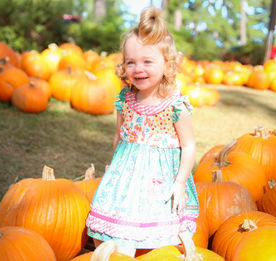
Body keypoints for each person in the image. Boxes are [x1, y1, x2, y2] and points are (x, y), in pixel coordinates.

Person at [85, 5, 199, 258]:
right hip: (126, 172)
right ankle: (119, 252)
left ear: (167, 65)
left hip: (159, 178)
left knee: (154, 228)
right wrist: (115, 166)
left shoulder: (175, 104)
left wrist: (180, 182)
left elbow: (188, 145)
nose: (139, 69)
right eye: (131, 62)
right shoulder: (125, 99)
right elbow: (119, 136)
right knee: (118, 219)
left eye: (147, 61)